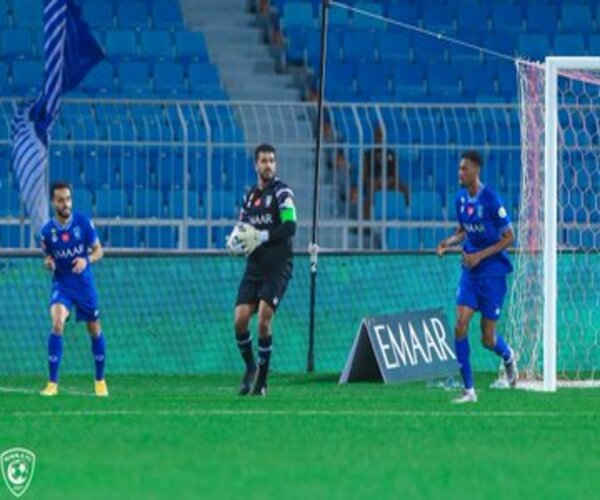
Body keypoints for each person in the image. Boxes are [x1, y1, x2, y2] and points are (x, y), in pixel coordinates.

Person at [437, 151, 518, 404]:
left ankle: (508, 357)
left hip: (492, 273)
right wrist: (448, 242)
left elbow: (509, 237)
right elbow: (464, 230)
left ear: (475, 171)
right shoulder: (460, 199)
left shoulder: (492, 199)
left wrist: (480, 256)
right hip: (470, 271)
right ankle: (469, 391)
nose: (460, 173)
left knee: (487, 338)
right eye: (459, 169)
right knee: (460, 325)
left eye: (464, 169)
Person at [227, 144, 297, 396]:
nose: (268, 165)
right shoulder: (249, 197)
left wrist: (262, 235)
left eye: (271, 161)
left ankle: (262, 382)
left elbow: (290, 227)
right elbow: (242, 226)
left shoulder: (282, 193)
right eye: (263, 161)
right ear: (256, 165)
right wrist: (235, 240)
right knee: (239, 321)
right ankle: (250, 369)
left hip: (278, 266)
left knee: (264, 321)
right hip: (254, 266)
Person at [39, 182, 108, 397]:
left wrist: (86, 260)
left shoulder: (83, 223)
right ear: (53, 203)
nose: (66, 203)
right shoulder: (47, 232)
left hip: (84, 285)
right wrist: (48, 262)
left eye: (68, 199)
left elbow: (99, 252)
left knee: (94, 329)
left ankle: (100, 380)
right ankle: (52, 384)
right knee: (57, 323)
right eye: (61, 200)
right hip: (63, 285)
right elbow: (48, 257)